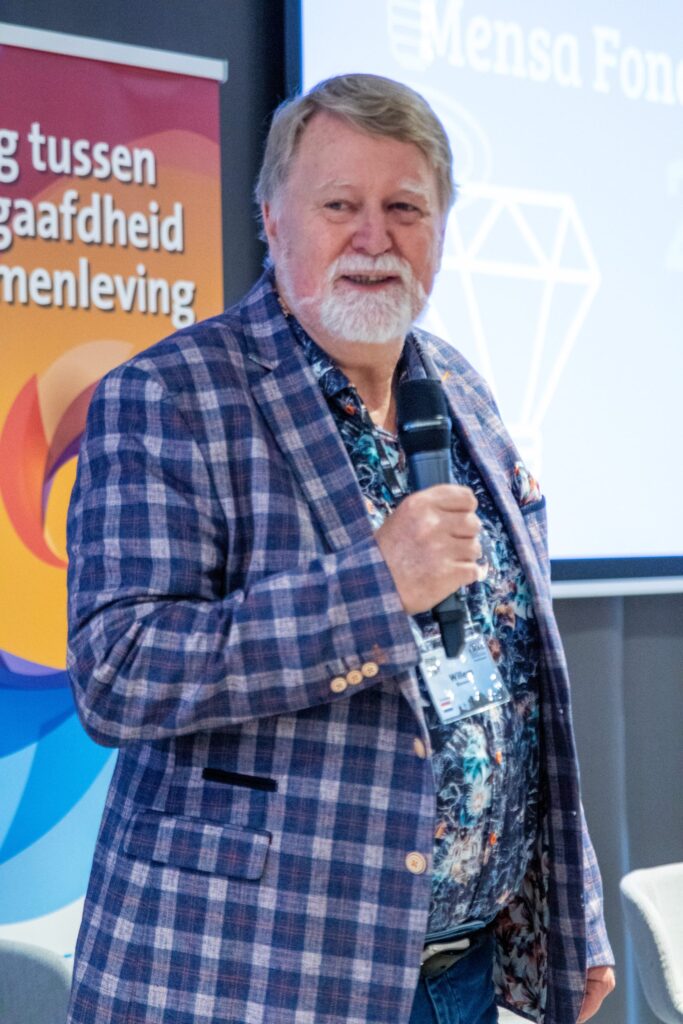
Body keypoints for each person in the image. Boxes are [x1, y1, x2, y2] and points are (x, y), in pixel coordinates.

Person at [65, 74, 615, 1024]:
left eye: (404, 208)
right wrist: (373, 589)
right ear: (272, 222)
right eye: (339, 206)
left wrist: (569, 912)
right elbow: (120, 671)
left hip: (458, 970)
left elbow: (511, 675)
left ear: (440, 228)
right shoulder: (168, 396)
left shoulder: (459, 387)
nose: (374, 237)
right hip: (252, 976)